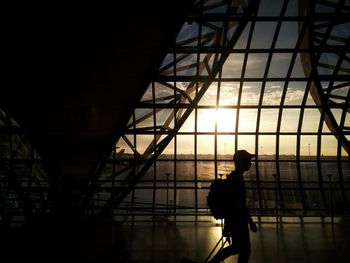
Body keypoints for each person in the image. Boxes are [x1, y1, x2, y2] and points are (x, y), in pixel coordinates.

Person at [208, 149, 257, 263]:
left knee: (238, 248)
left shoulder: (234, 178)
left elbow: (234, 204)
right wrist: (250, 221)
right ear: (241, 162)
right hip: (238, 221)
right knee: (243, 249)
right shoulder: (237, 180)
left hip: (237, 221)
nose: (250, 164)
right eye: (248, 161)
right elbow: (238, 205)